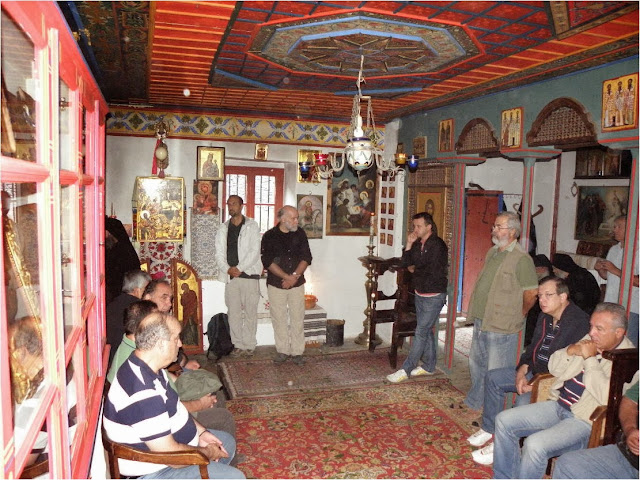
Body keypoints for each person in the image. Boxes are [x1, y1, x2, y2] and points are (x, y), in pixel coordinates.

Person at [492, 302, 635, 479]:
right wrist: (570, 351)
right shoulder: (590, 340)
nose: (592, 333)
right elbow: (553, 367)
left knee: (534, 445)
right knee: (503, 420)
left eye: (599, 329)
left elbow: (607, 397)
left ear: (618, 332)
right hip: (558, 405)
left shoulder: (628, 360)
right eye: (591, 326)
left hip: (583, 421)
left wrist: (589, 359)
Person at [103, 312, 244, 479]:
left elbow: (177, 408)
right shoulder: (142, 392)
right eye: (176, 338)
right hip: (155, 470)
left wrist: (201, 432)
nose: (180, 344)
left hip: (170, 450)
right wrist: (207, 452)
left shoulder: (150, 367)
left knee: (227, 442)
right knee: (236, 477)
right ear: (161, 344)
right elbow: (172, 457)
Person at [467, 276, 590, 465]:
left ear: (563, 297)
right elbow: (533, 348)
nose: (542, 300)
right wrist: (521, 371)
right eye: (540, 296)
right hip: (534, 373)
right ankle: (489, 429)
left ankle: (503, 446)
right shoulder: (545, 316)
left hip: (554, 383)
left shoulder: (578, 322)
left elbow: (569, 369)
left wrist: (536, 386)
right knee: (493, 377)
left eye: (548, 295)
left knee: (522, 402)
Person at [107, 301, 237, 438]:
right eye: (158, 319)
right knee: (224, 419)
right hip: (169, 425)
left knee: (214, 392)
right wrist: (200, 404)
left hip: (174, 407)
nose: (180, 344)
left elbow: (167, 387)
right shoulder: (140, 376)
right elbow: (166, 412)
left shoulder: (140, 353)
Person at [463, 211, 538, 411]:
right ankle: (476, 401)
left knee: (495, 370)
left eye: (498, 226)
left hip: (502, 324)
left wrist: (520, 312)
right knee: (477, 364)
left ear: (512, 231)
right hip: (482, 319)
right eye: (494, 226)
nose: (493, 230)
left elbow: (531, 293)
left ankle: (493, 411)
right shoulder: (493, 252)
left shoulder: (522, 259)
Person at [386, 212, 448, 383]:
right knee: (425, 330)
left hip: (434, 295)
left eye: (419, 226)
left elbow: (428, 268)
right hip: (420, 292)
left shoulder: (438, 245)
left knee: (420, 332)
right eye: (414, 226)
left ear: (429, 227)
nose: (415, 229)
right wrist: (409, 244)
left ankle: (406, 369)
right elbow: (406, 263)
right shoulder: (417, 244)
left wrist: (415, 268)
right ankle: (429, 366)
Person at [552, 378, 638, 479]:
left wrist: (590, 367)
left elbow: (604, 394)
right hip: (628, 454)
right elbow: (629, 400)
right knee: (567, 464)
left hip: (581, 418)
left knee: (537, 445)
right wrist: (630, 429)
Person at [261, 205, 312, 365]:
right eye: (293, 218)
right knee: (279, 318)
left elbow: (307, 257)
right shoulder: (269, 236)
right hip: (276, 284)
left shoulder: (300, 233)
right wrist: (285, 277)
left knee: (298, 318)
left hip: (297, 283)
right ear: (283, 219)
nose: (297, 221)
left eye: (297, 218)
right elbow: (267, 261)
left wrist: (294, 277)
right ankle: (282, 350)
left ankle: (297, 352)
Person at [215, 195, 262, 357]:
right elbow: (219, 253)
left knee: (250, 312)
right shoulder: (223, 228)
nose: (231, 207)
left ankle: (249, 344)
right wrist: (228, 269)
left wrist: (240, 268)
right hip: (231, 277)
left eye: (234, 204)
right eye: (229, 204)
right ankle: (237, 344)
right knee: (233, 312)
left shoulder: (252, 225)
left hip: (249, 275)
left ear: (242, 206)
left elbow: (254, 251)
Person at [595, 215, 639, 347]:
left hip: (631, 307)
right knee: (610, 343)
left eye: (619, 227)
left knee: (627, 346)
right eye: (614, 226)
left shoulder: (637, 250)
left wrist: (614, 269)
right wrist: (600, 270)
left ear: (630, 230)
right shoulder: (614, 249)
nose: (614, 230)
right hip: (611, 304)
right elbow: (608, 277)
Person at [105, 269, 151, 364]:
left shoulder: (112, 304)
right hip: (129, 358)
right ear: (137, 290)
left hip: (109, 358)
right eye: (145, 290)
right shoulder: (139, 308)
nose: (148, 293)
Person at [105, 216, 141, 304]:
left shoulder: (120, 251)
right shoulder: (119, 248)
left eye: (105, 232)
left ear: (111, 232)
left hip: (121, 295)